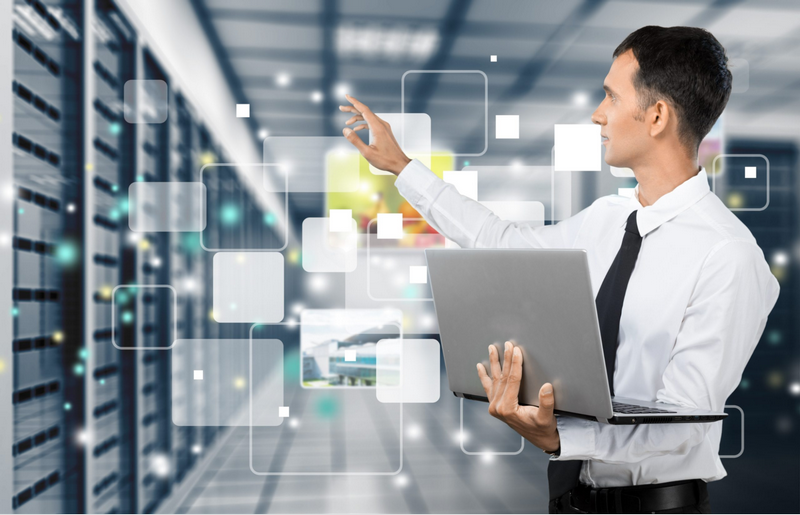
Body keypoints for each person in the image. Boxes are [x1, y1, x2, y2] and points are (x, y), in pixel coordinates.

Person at [339, 25, 779, 514]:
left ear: (656, 116)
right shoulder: (606, 219)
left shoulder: (728, 256)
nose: (598, 115)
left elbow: (686, 421)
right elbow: (501, 243)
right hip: (569, 499)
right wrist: (402, 167)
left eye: (611, 96)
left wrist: (559, 436)